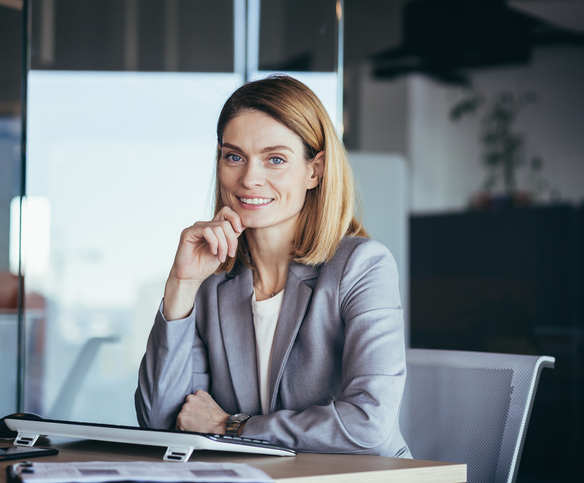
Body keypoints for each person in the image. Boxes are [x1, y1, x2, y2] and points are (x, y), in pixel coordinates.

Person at [135, 75, 410, 457]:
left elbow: (368, 426)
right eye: (235, 156)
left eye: (275, 159)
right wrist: (182, 285)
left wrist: (230, 426)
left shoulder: (361, 267)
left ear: (315, 170)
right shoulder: (214, 284)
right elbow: (161, 421)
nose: (249, 178)